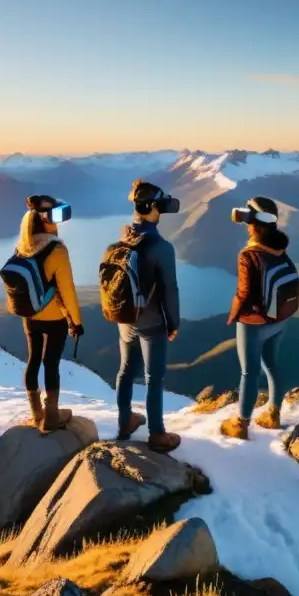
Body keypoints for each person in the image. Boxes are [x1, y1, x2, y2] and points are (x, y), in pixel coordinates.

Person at [113, 180, 182, 453]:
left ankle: (125, 421)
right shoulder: (162, 248)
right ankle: (157, 434)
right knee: (154, 377)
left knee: (125, 370)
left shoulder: (124, 236)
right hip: (151, 322)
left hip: (125, 317)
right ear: (153, 207)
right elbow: (170, 289)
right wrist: (173, 322)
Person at [220, 197, 293, 440]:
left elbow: (243, 293)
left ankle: (241, 424)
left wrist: (233, 316)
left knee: (249, 373)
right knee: (272, 364)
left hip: (255, 323)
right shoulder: (280, 248)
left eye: (248, 218)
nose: (245, 222)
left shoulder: (249, 254)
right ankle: (274, 414)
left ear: (255, 223)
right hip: (279, 318)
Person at [15, 195, 84, 432]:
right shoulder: (57, 250)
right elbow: (67, 290)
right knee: (51, 363)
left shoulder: (23, 247)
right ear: (45, 220)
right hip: (54, 317)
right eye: (55, 215)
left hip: (30, 315)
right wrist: (76, 321)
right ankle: (52, 416)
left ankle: (37, 413)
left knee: (33, 359)